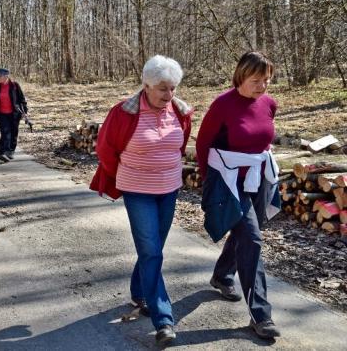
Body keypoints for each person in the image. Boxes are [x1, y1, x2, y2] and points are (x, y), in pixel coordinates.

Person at [90, 55, 193, 346]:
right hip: (137, 191)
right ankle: (163, 318)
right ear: (146, 85)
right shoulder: (123, 112)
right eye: (162, 88)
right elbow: (106, 150)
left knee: (153, 248)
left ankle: (139, 290)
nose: (168, 95)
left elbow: (181, 145)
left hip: (169, 189)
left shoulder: (181, 112)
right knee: (151, 250)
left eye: (172, 88)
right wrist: (126, 175)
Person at [196, 51, 281, 340]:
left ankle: (221, 275)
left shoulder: (269, 104)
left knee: (246, 234)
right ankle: (261, 314)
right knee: (252, 238)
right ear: (241, 76)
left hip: (258, 181)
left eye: (267, 80)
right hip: (229, 183)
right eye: (257, 80)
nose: (263, 86)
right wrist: (209, 184)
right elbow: (203, 144)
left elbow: (263, 139)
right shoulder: (222, 105)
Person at [0, 67, 27, 162]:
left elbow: (22, 100)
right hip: (1, 114)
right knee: (5, 133)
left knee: (14, 133)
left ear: (6, 76)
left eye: (0, 76)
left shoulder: (14, 85)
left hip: (14, 114)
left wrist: (24, 112)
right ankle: (3, 153)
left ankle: (11, 151)